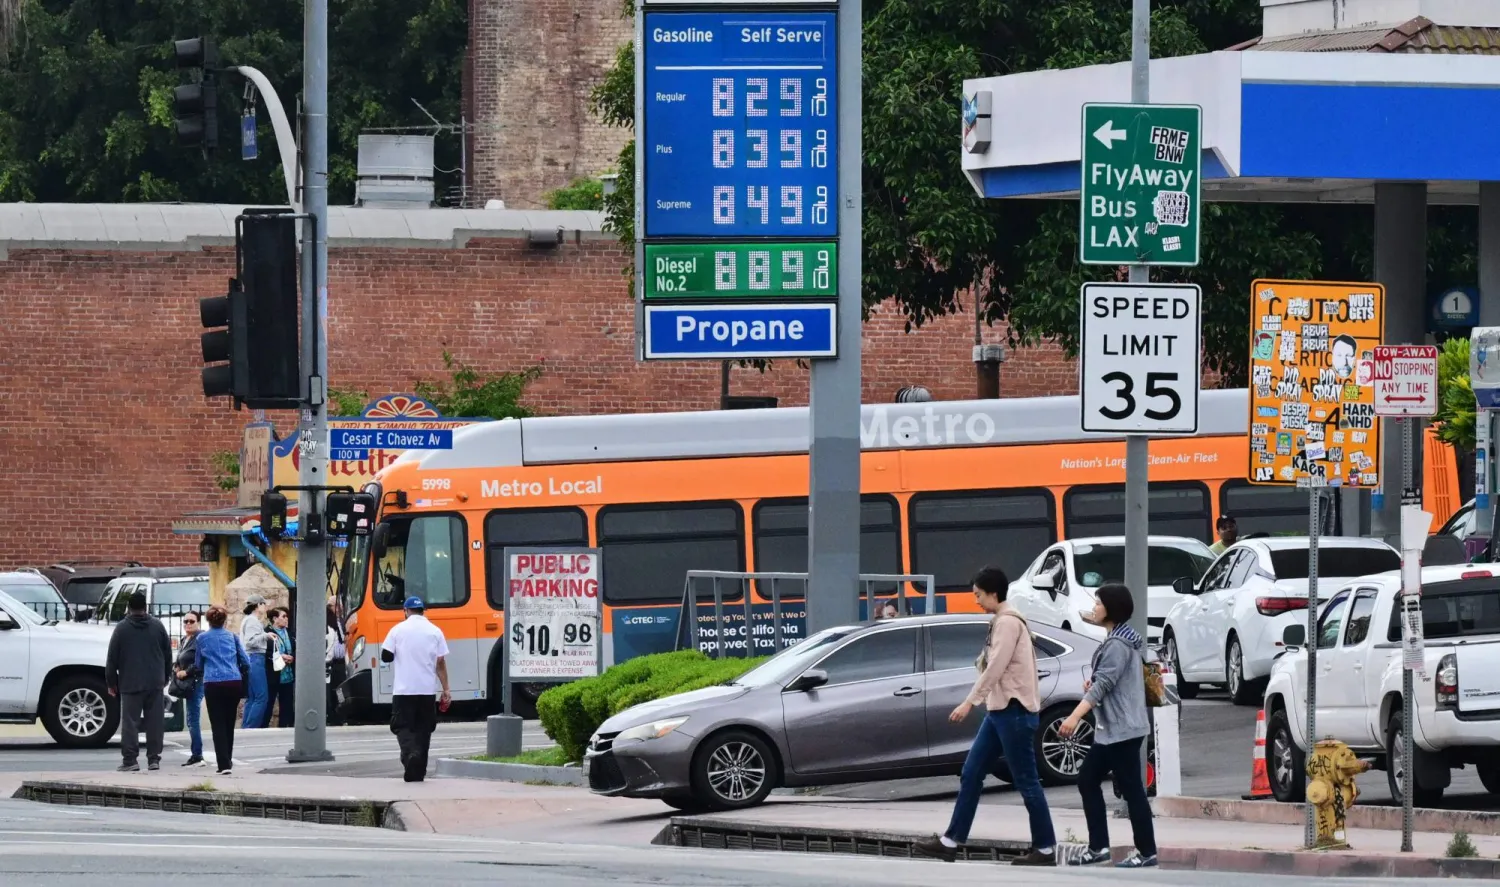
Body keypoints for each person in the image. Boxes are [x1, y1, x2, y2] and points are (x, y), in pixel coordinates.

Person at [915, 567, 1057, 866]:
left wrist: (969, 702)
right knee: (971, 773)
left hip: (1013, 712)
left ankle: (1045, 848)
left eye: (978, 595)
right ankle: (951, 841)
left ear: (993, 593)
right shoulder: (1003, 620)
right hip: (999, 712)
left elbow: (996, 667)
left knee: (1027, 781)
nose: (976, 601)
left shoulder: (1007, 623)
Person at [1060, 583, 1158, 869]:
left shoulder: (1117, 644)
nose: (1094, 607)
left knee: (1131, 791)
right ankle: (1098, 846)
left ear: (1111, 609)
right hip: (1113, 730)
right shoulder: (1118, 640)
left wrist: (1074, 716)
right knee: (1088, 780)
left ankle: (1146, 851)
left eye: (1099, 602)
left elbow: (1103, 685)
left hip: (1122, 731)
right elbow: (1111, 682)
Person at [381, 596, 451, 782]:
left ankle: (410, 754)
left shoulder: (397, 630)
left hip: (404, 690)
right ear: (423, 611)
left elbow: (386, 656)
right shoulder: (435, 631)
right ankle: (418, 771)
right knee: (424, 729)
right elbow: (441, 662)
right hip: (427, 691)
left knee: (402, 726)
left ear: (405, 611)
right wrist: (446, 689)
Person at [104, 590, 172, 772]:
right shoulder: (157, 626)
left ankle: (130, 760)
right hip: (154, 682)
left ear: (129, 608)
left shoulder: (122, 628)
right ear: (145, 607)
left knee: (130, 723)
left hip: (130, 682)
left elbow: (112, 658)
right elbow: (167, 654)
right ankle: (153, 759)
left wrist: (111, 683)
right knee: (155, 723)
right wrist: (165, 677)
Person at [195, 606, 251, 775]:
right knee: (229, 723)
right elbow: (246, 662)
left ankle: (224, 764)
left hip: (213, 683)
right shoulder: (232, 637)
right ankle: (228, 758)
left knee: (217, 724)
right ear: (224, 620)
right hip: (233, 681)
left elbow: (198, 664)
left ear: (208, 620)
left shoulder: (202, 638)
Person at [172, 610, 206, 766]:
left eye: (191, 621)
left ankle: (197, 754)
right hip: (186, 682)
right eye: (185, 621)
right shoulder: (185, 639)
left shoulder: (200, 638)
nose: (188, 624)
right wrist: (177, 668)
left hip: (196, 681)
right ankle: (196, 753)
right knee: (191, 719)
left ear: (198, 622)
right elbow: (179, 658)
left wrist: (187, 671)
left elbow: (201, 662)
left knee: (193, 719)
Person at [239, 596, 273, 729]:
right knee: (261, 697)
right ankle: (250, 728)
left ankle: (246, 728)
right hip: (255, 658)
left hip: (250, 659)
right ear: (258, 605)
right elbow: (250, 641)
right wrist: (266, 635)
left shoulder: (247, 620)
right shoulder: (253, 621)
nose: (265, 607)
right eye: (264, 604)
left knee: (252, 697)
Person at [268, 607, 296, 728]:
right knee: (268, 703)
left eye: (287, 616)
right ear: (275, 619)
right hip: (273, 675)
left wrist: (292, 657)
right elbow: (266, 652)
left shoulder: (290, 633)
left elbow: (296, 648)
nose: (286, 619)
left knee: (287, 704)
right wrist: (280, 656)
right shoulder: (267, 633)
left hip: (288, 675)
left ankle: (285, 726)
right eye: (283, 616)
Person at [325, 600, 347, 727]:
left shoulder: (342, 622)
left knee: (341, 690)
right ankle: (332, 715)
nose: (340, 608)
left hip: (342, 662)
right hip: (332, 662)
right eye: (336, 606)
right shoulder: (328, 624)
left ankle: (341, 714)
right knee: (331, 690)